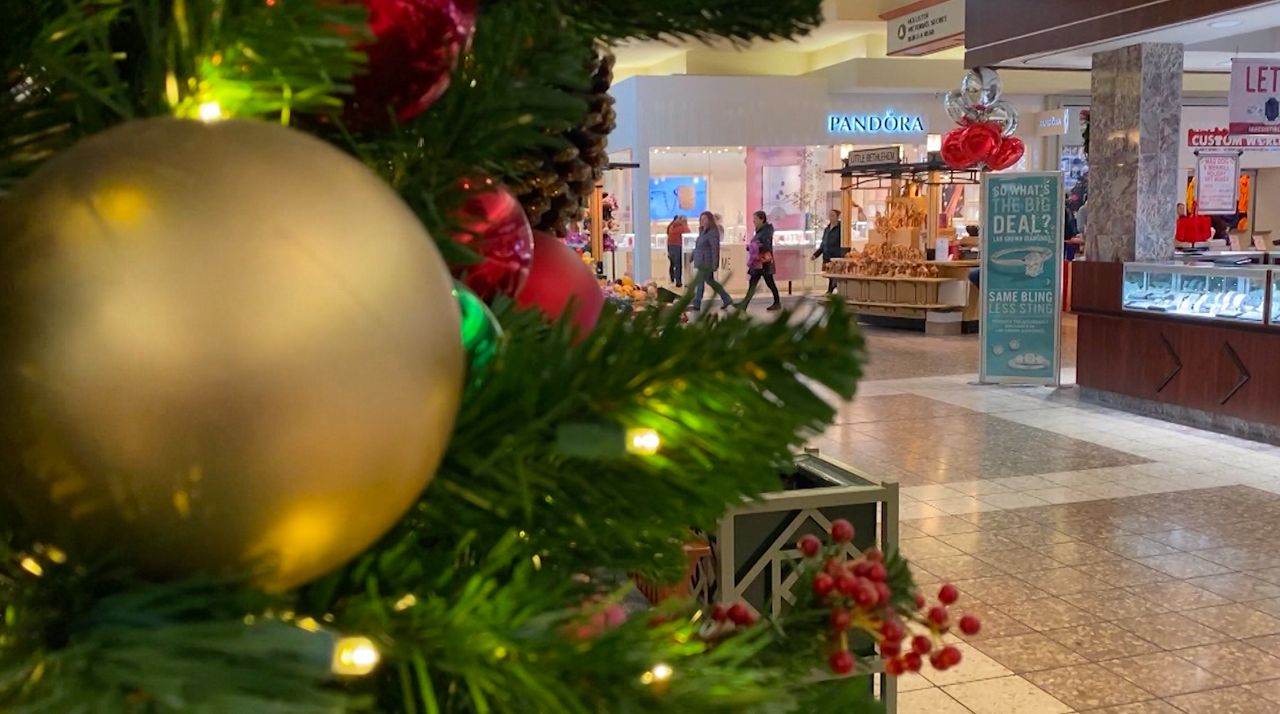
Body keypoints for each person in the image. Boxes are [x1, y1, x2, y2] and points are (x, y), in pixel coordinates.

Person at [691, 211, 733, 311]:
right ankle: (726, 298)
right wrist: (692, 256)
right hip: (701, 260)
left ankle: (697, 303)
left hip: (706, 262)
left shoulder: (712, 232)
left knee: (700, 281)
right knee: (710, 281)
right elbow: (698, 246)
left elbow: (715, 248)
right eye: (701, 219)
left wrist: (715, 263)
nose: (703, 221)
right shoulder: (702, 231)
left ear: (710, 220)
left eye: (705, 219)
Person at [742, 210, 781, 311]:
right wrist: (751, 247)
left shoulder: (766, 231)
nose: (753, 221)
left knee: (769, 282)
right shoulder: (760, 231)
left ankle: (777, 302)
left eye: (755, 219)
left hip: (763, 262)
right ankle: (744, 305)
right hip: (759, 262)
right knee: (754, 282)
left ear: (762, 219)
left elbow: (765, 245)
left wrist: (754, 247)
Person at [812, 209, 845, 294]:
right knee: (830, 275)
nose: (830, 217)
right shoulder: (827, 229)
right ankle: (831, 289)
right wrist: (816, 254)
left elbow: (843, 242)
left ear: (837, 217)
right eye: (830, 215)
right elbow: (823, 244)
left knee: (834, 275)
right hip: (827, 256)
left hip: (836, 256)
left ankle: (831, 290)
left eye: (833, 215)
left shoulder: (841, 229)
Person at [665, 215, 688, 287]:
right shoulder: (683, 227)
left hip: (670, 247)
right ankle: (678, 281)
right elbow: (688, 234)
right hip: (678, 247)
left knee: (672, 264)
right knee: (678, 265)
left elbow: (668, 233)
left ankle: (672, 278)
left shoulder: (671, 226)